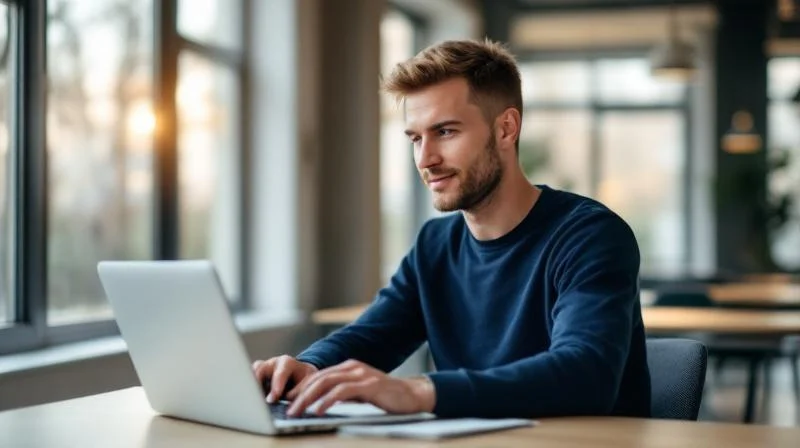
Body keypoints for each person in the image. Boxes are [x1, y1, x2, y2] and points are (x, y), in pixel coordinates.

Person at [252, 38, 651, 419]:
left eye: (445, 132)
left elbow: (586, 375)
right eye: (414, 138)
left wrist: (419, 391)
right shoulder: (435, 244)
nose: (425, 159)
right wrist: (309, 365)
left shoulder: (591, 236)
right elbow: (372, 335)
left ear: (506, 129)